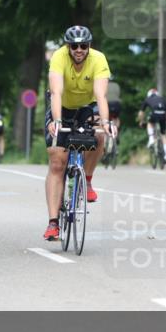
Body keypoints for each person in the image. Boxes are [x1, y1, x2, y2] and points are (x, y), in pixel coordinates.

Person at [43, 25, 115, 241]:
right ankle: (53, 223)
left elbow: (101, 96)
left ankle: (89, 179)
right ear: (68, 47)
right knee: (57, 161)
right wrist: (56, 120)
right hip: (62, 107)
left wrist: (106, 122)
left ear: (89, 46)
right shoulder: (58, 57)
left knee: (99, 134)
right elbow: (56, 92)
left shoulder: (99, 59)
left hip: (88, 106)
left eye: (83, 46)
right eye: (74, 46)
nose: (79, 49)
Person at [138, 87, 166, 163]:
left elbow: (141, 113)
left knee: (150, 123)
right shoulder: (162, 98)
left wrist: (141, 121)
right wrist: (165, 121)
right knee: (164, 135)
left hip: (154, 114)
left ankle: (151, 139)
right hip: (163, 115)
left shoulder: (147, 99)